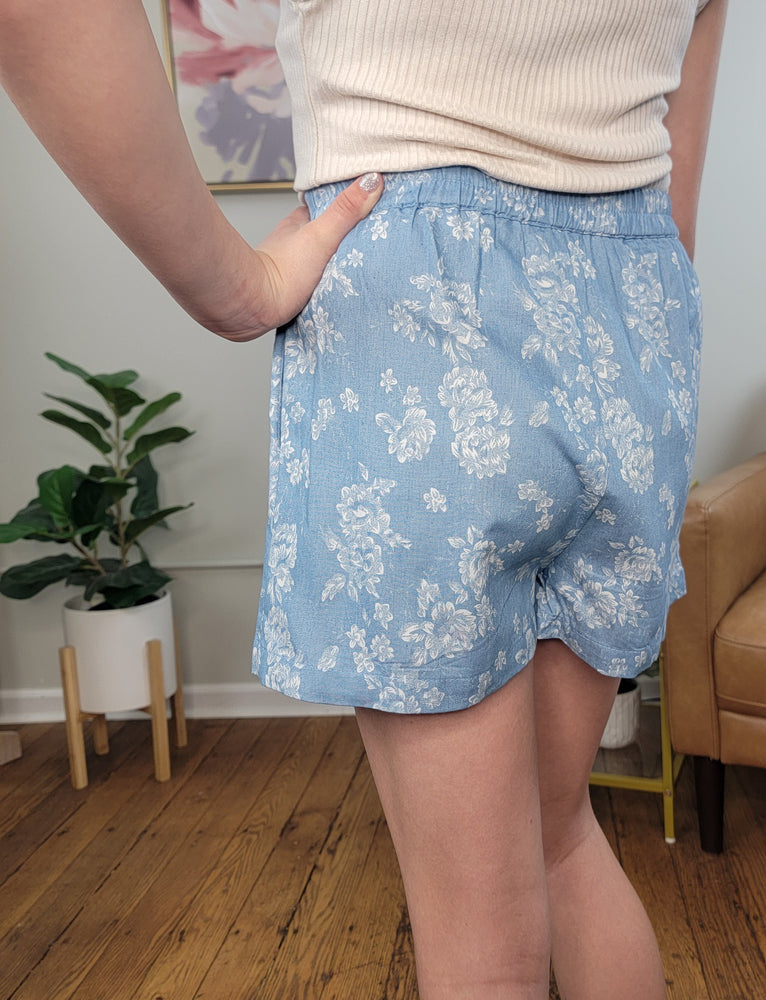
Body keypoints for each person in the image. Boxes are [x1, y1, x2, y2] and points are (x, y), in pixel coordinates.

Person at [1, 0, 727, 996]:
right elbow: (676, 174)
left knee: (478, 923)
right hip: (636, 324)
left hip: (413, 305)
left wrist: (234, 288)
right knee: (560, 835)